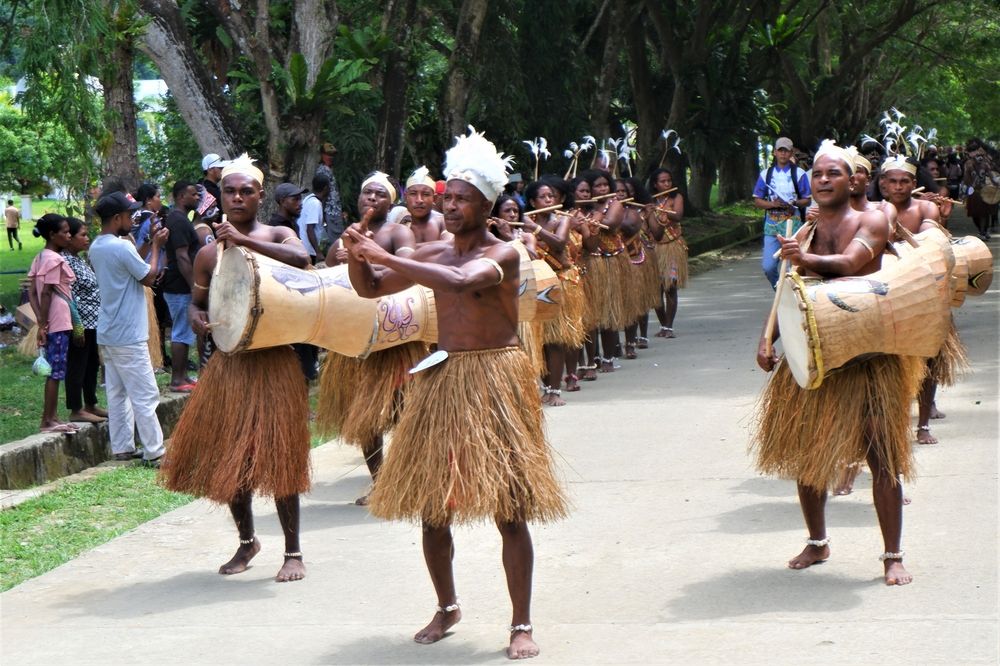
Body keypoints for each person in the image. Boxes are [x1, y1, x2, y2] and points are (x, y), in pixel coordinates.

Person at [343, 127, 567, 659]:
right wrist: (356, 253)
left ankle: (521, 623)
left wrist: (387, 255)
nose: (453, 205)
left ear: (488, 204)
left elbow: (465, 282)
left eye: (465, 198)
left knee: (509, 507)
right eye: (450, 197)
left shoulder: (506, 253)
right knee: (431, 503)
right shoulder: (436, 249)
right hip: (444, 379)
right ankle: (446, 607)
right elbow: (370, 287)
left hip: (495, 377)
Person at [752, 141, 923, 586]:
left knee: (882, 457)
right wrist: (767, 338)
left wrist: (802, 258)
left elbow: (852, 262)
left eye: (833, 173)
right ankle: (817, 541)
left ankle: (892, 554)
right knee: (808, 454)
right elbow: (788, 290)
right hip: (814, 354)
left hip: (867, 354)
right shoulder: (805, 229)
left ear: (852, 181)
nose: (823, 179)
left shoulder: (871, 219)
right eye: (818, 174)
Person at [160, 154, 312, 583]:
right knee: (231, 460)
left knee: (282, 459)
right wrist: (195, 317)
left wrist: (244, 243)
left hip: (274, 362)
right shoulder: (209, 254)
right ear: (220, 195)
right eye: (231, 190)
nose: (239, 197)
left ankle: (293, 551)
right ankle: (247, 541)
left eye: (247, 190)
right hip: (229, 367)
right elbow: (195, 302)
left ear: (261, 195)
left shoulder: (278, 233)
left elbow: (300, 261)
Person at [316, 171, 421, 505]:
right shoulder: (341, 239)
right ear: (358, 199)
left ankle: (410, 476)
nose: (372, 199)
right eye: (367, 194)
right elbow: (327, 282)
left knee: (407, 410)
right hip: (354, 339)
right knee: (364, 417)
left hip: (396, 336)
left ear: (390, 203)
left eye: (379, 195)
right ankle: (379, 481)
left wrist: (368, 262)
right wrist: (342, 261)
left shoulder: (397, 231)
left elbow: (408, 265)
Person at [88, 192, 170, 465]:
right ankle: (155, 451)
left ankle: (122, 447)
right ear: (116, 218)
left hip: (110, 331)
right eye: (128, 215)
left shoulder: (98, 246)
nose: (132, 219)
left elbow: (131, 264)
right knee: (145, 393)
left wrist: (147, 243)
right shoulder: (120, 247)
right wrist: (157, 247)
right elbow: (148, 276)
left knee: (117, 392)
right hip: (128, 333)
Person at [27, 214, 78, 434]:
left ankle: (53, 417)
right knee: (56, 372)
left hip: (50, 320)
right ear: (52, 235)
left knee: (55, 370)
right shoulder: (55, 260)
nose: (69, 236)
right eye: (65, 232)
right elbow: (46, 292)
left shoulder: (40, 258)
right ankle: (48, 420)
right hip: (57, 321)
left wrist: (40, 320)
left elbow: (31, 292)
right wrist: (45, 324)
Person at [62, 217, 107, 425]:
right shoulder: (65, 262)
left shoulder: (79, 259)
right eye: (82, 234)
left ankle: (90, 403)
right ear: (69, 238)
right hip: (79, 323)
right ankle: (76, 408)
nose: (87, 238)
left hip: (93, 322)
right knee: (77, 364)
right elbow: (66, 296)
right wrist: (76, 325)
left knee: (91, 363)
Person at [753, 137, 812, 288]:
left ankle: (791, 297)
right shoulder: (766, 174)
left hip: (794, 225)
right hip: (771, 226)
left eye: (786, 151)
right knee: (768, 267)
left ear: (791, 153)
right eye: (780, 150)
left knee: (791, 268)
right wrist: (773, 204)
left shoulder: (799, 174)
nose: (783, 154)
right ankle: (780, 292)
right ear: (775, 152)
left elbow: (807, 200)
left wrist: (794, 203)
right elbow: (758, 201)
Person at [161, 180, 201, 392]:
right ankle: (177, 380)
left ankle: (184, 375)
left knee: (185, 331)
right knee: (181, 330)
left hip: (181, 285)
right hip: (179, 285)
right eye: (193, 194)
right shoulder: (177, 221)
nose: (197, 197)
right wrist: (194, 286)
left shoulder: (182, 219)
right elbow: (182, 257)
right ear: (180, 196)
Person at [646, 168, 687, 338]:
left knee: (670, 286)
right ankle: (663, 324)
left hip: (671, 246)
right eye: (662, 181)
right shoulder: (650, 201)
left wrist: (660, 210)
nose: (666, 184)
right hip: (654, 247)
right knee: (656, 290)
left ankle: (669, 326)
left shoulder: (676, 197)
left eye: (669, 180)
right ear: (655, 184)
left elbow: (677, 216)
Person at [404, 166, 449, 243]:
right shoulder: (402, 226)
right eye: (413, 194)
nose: (419, 200)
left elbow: (449, 246)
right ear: (405, 198)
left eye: (426, 194)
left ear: (434, 198)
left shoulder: (444, 222)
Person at [315, 142, 344, 246]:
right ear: (322, 155)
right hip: (330, 210)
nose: (330, 157)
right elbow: (323, 192)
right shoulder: (323, 170)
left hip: (335, 209)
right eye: (328, 154)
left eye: (332, 155)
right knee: (336, 239)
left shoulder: (329, 169)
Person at [299, 175, 327, 264]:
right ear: (326, 188)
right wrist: (318, 252)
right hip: (308, 250)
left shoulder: (308, 198)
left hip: (302, 247)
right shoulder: (315, 203)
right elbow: (310, 229)